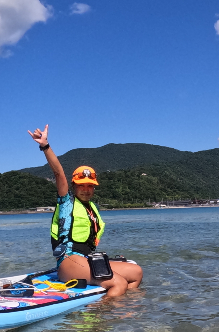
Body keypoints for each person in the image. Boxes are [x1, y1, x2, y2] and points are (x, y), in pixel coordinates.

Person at [29, 125, 144, 296]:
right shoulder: (67, 203)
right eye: (81, 185)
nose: (86, 189)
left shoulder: (92, 209)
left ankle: (119, 308)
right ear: (74, 186)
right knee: (119, 283)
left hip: (87, 259)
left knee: (136, 272)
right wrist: (45, 146)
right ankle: (102, 315)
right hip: (69, 261)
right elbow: (59, 173)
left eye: (90, 186)